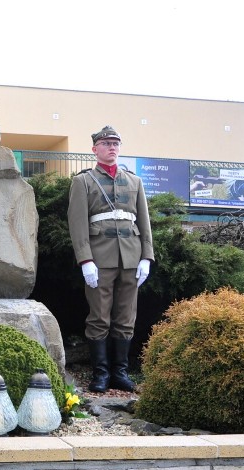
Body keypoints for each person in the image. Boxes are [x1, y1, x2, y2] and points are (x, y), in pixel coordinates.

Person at [67, 125, 154, 393]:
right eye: (106, 143)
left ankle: (120, 373)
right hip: (100, 258)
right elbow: (77, 223)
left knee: (126, 316)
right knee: (99, 317)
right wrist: (85, 260)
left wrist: (147, 257)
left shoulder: (134, 181)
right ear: (95, 149)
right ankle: (101, 374)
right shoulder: (83, 181)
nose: (112, 147)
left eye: (115, 143)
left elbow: (144, 221)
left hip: (131, 256)